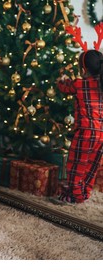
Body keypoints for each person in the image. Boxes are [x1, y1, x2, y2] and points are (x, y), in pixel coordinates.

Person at [57, 49, 103, 203]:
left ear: (83, 69)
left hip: (86, 133)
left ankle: (75, 196)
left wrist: (61, 78)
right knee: (91, 167)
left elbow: (64, 87)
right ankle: (84, 193)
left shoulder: (79, 84)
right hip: (101, 134)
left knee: (76, 165)